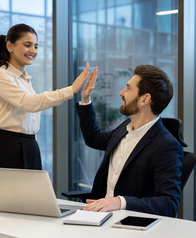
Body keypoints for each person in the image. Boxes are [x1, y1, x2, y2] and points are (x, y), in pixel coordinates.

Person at [77, 65, 184, 217]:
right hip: (98, 217)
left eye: (128, 88)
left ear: (145, 99)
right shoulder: (124, 129)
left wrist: (120, 202)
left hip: (127, 223)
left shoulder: (166, 146)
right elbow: (93, 139)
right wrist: (86, 99)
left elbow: (169, 204)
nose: (121, 93)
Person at [0, 24, 92, 170]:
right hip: (7, 148)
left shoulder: (24, 78)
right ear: (10, 46)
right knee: (9, 193)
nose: (33, 51)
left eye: (36, 46)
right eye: (27, 45)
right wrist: (71, 90)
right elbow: (29, 103)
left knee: (32, 193)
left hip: (29, 145)